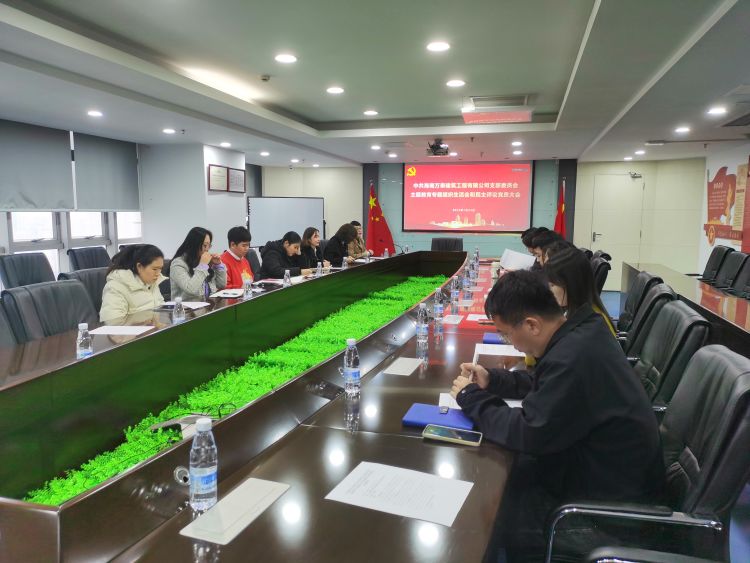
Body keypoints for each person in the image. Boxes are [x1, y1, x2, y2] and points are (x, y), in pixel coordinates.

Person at [450, 271, 663, 562]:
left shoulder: (572, 359)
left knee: (489, 518)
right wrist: (493, 380)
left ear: (532, 325)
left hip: (606, 517)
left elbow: (529, 432)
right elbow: (545, 382)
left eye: (506, 333)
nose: (509, 342)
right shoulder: (582, 332)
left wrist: (471, 397)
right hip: (601, 480)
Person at [544, 245, 616, 336]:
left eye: (552, 285)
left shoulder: (590, 325)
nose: (549, 290)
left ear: (571, 284)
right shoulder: (579, 311)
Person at [100, 244, 166, 322]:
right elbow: (112, 323)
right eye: (154, 269)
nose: (158, 273)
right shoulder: (115, 287)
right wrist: (145, 324)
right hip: (134, 330)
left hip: (155, 328)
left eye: (160, 269)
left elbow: (162, 309)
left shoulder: (152, 283)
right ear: (139, 267)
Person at [170, 227, 227, 301]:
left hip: (209, 305)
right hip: (186, 307)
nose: (207, 249)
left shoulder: (204, 261)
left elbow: (221, 285)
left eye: (209, 245)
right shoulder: (178, 264)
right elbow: (191, 289)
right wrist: (202, 266)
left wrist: (218, 265)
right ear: (194, 245)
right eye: (205, 245)